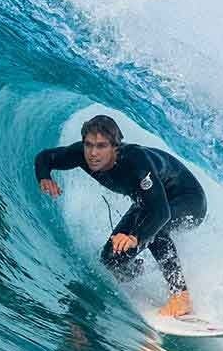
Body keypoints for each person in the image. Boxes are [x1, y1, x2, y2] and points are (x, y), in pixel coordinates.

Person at [34, 114, 207, 318]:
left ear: (115, 147)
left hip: (188, 199)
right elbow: (46, 157)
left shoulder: (136, 162)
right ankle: (139, 272)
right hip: (149, 202)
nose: (93, 153)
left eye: (101, 146)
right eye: (88, 145)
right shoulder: (81, 154)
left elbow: (161, 212)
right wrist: (44, 177)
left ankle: (181, 295)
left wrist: (135, 237)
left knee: (155, 229)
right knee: (110, 260)